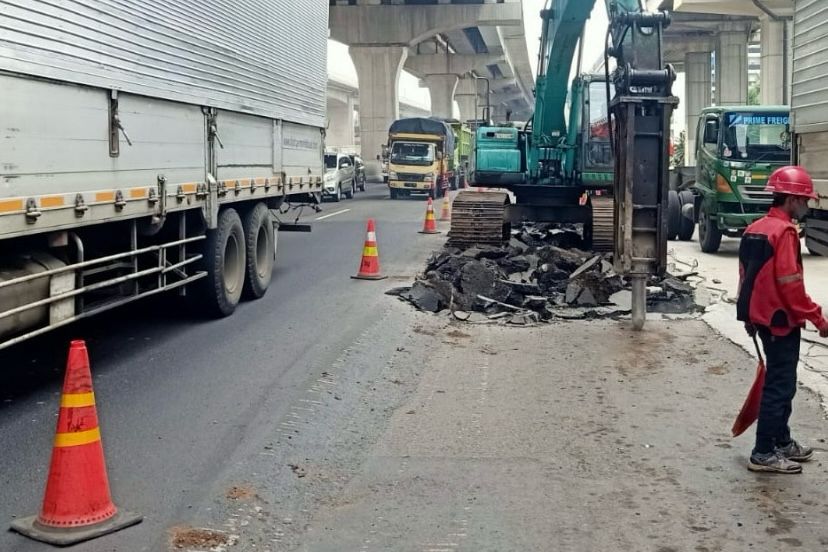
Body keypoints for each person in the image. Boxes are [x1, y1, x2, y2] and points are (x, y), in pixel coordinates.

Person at [736, 165, 828, 474]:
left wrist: (747, 315)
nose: (806, 206)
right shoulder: (785, 232)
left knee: (780, 381)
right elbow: (791, 285)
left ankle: (782, 441)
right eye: (804, 200)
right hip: (779, 321)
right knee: (780, 385)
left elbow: (745, 278)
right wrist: (818, 318)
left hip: (762, 318)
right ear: (791, 199)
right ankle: (763, 452)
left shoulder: (755, 228)